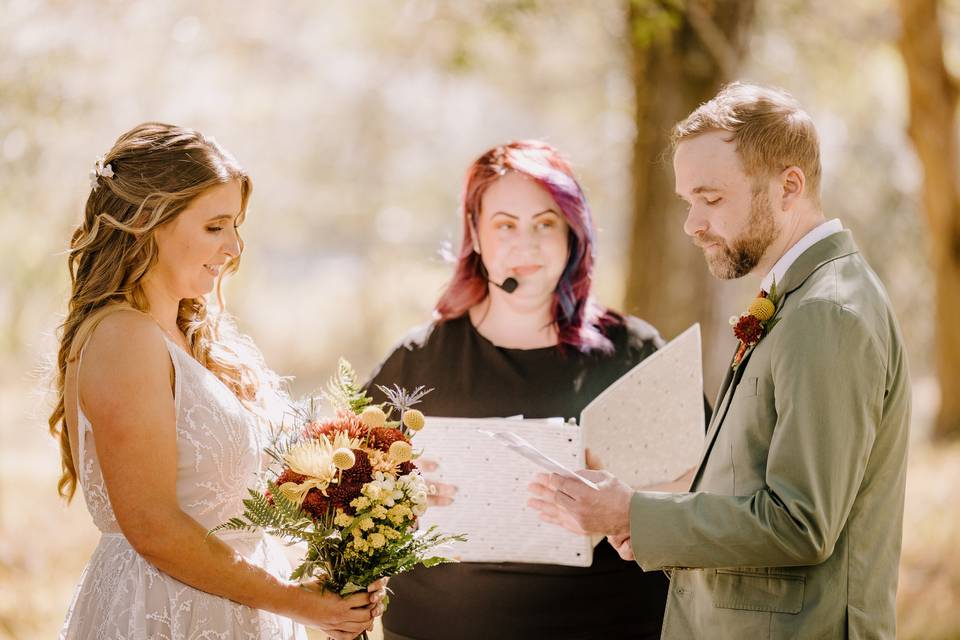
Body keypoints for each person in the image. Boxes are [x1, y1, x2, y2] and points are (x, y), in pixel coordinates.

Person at [530, 83, 912, 639]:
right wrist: (655, 519)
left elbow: (800, 523)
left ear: (789, 187)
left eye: (711, 198)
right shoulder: (797, 298)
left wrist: (630, 512)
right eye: (690, 202)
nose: (693, 223)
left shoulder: (828, 312)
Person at [51, 123, 385, 640]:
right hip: (165, 611)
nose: (234, 246)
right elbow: (154, 527)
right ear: (145, 221)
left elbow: (235, 505)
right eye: (215, 226)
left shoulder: (197, 337)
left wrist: (328, 580)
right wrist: (300, 604)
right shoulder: (123, 339)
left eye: (236, 226)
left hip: (243, 605)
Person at [365, 140, 709, 640]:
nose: (525, 244)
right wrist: (400, 502)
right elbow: (347, 493)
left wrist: (630, 502)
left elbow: (709, 480)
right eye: (505, 224)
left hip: (610, 622)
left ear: (572, 234)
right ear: (475, 236)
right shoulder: (418, 360)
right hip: (435, 627)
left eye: (545, 223)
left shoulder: (633, 351)